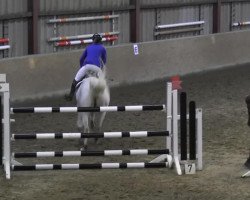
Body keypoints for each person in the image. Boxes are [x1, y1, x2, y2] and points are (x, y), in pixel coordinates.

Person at [65, 33, 107, 101]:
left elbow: (81, 59)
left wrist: (82, 67)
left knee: (75, 81)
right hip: (97, 68)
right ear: (100, 40)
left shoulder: (88, 47)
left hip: (86, 67)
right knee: (102, 83)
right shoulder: (103, 48)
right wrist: (101, 69)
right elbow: (104, 61)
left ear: (93, 40)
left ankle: (70, 96)